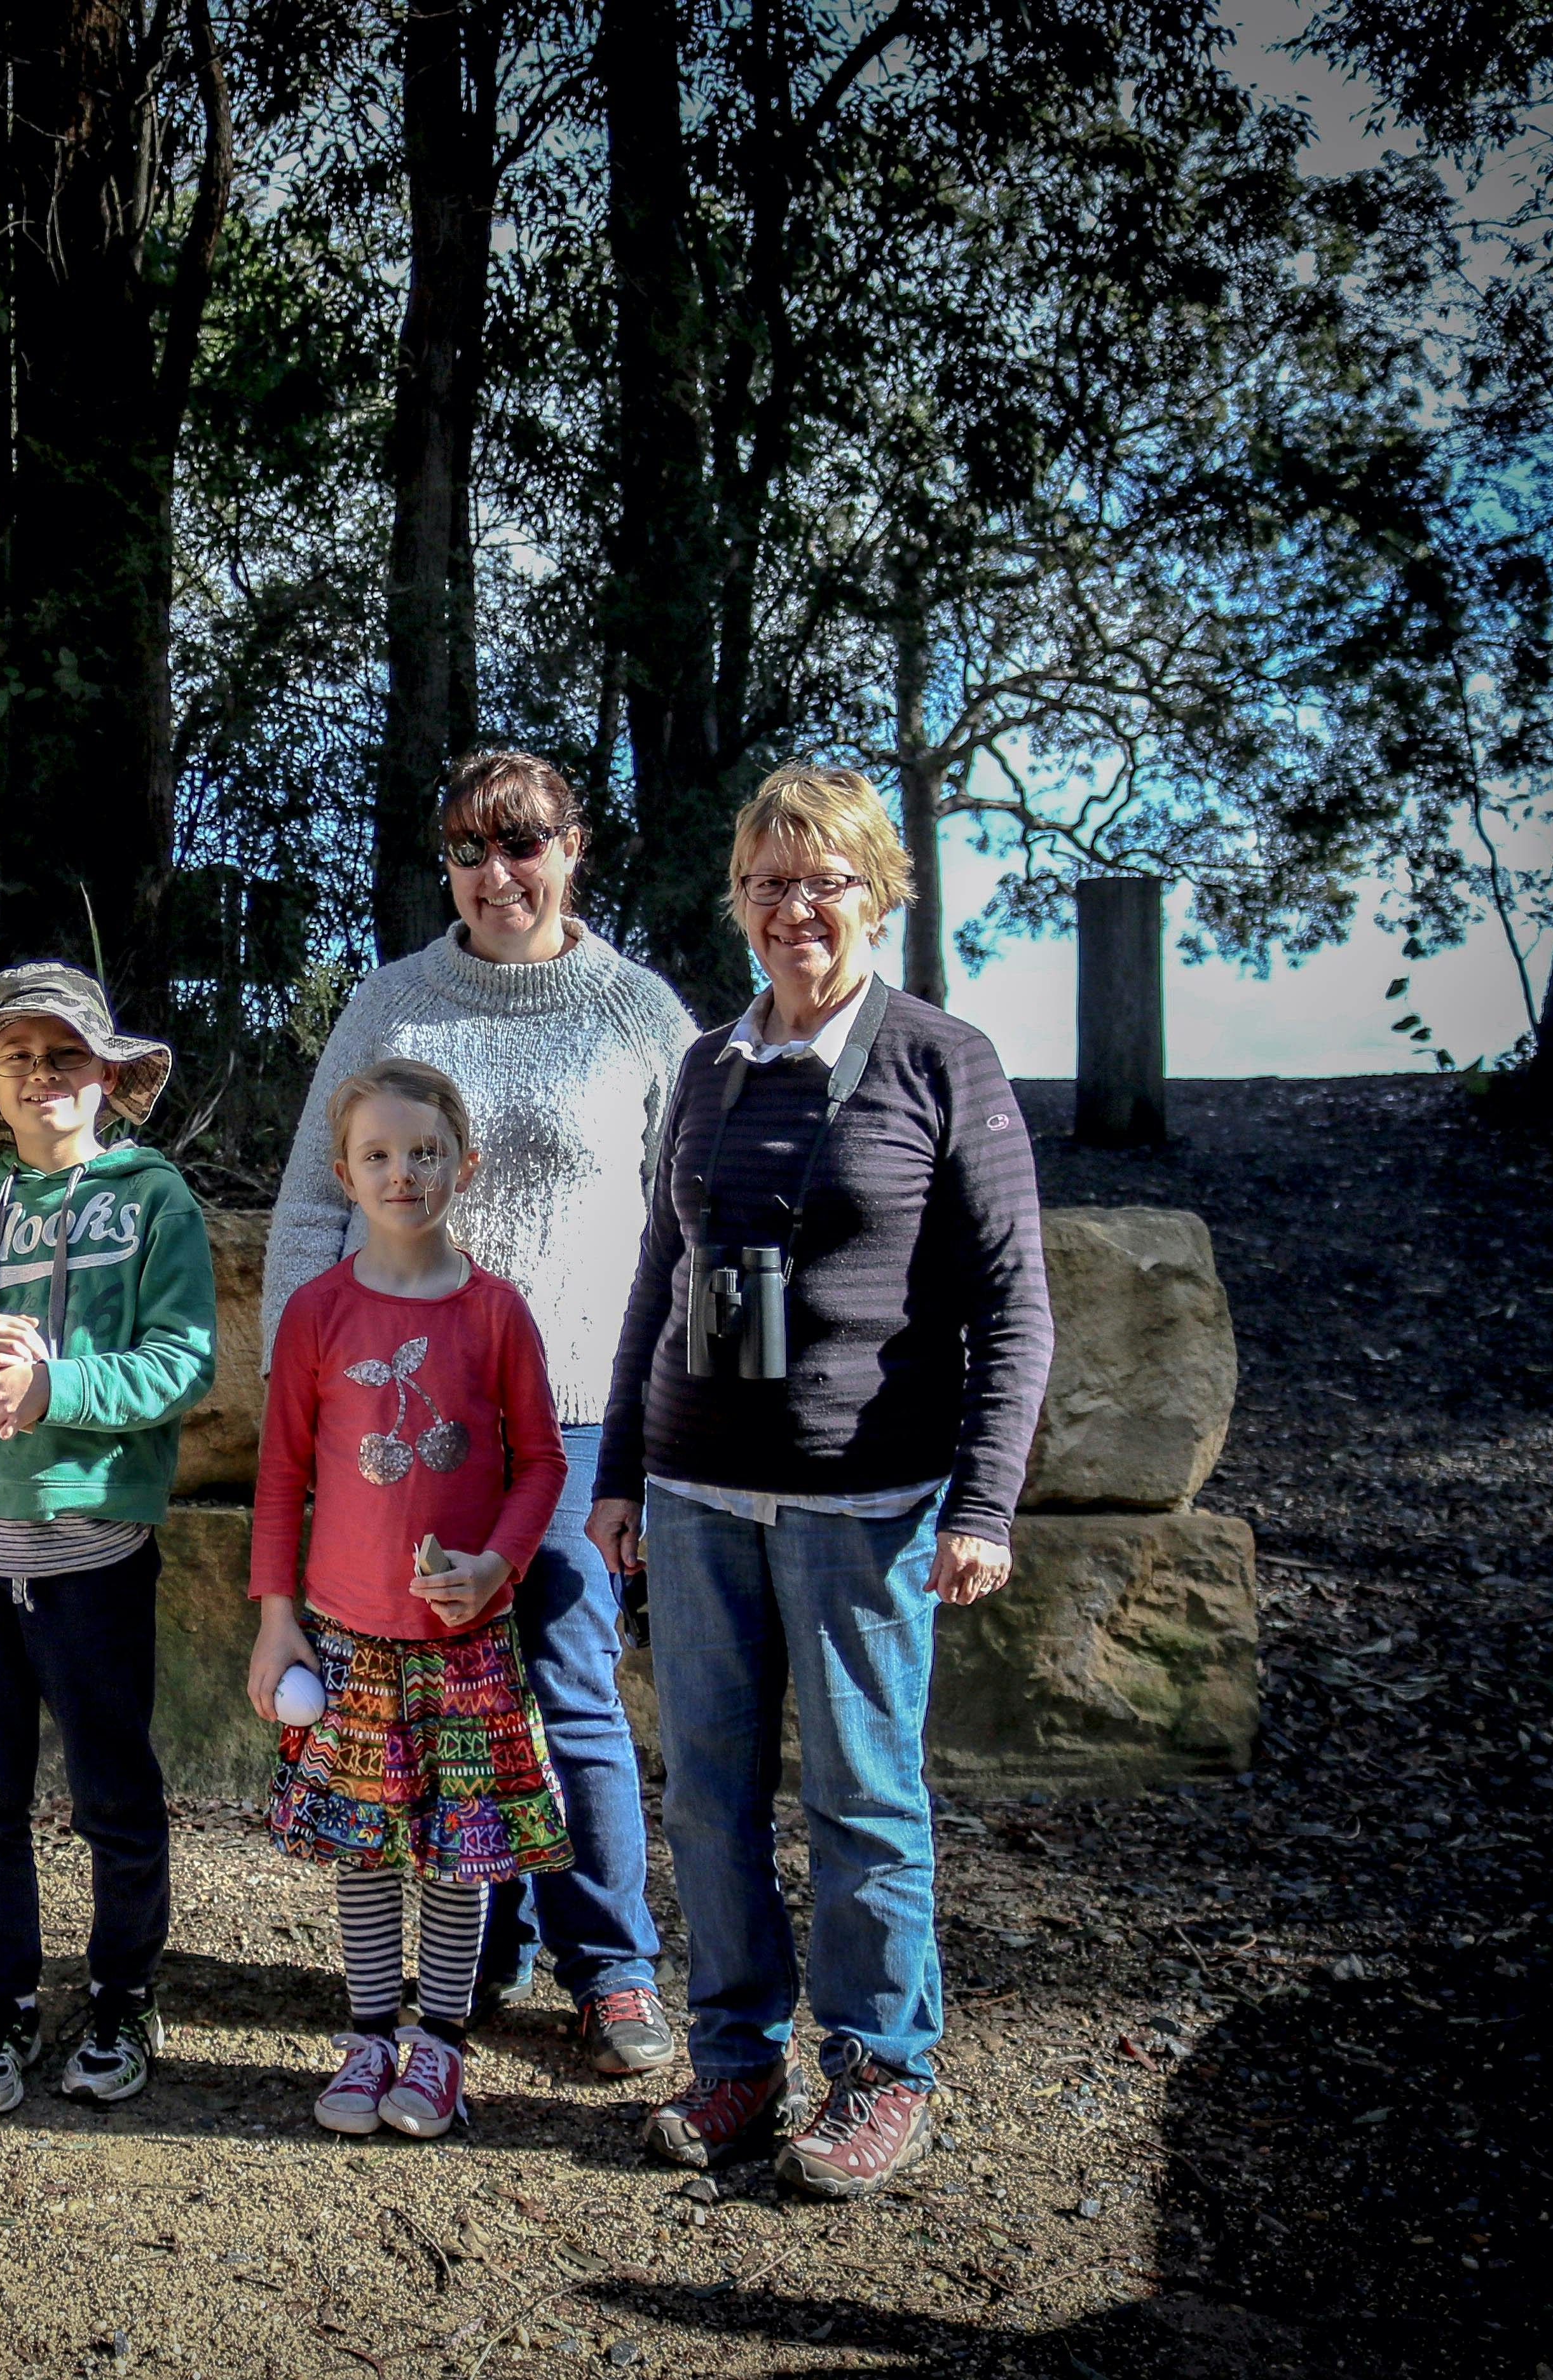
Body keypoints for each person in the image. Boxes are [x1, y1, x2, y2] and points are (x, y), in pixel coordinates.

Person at [591, 761, 1051, 2201]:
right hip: (696, 1498)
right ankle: (738, 2064)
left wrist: (982, 1502)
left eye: (823, 881)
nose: (794, 908)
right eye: (766, 883)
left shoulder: (941, 1060)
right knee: (706, 1798)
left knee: (861, 1799)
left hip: (862, 1503)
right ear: (737, 903)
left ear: (877, 895)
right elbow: (658, 1279)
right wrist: (618, 1474)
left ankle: (879, 2071)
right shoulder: (709, 1067)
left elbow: (1012, 1301)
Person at [261, 749, 693, 2077]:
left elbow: (686, 1222)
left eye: (521, 843)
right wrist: (310, 1393)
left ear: (572, 848)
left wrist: (660, 1421)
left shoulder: (637, 1013)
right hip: (402, 1420)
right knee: (436, 1693)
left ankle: (609, 1968)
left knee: (565, 1687)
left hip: (572, 1415)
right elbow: (312, 1201)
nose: (495, 873)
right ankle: (476, 1950)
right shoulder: (391, 1002)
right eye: (466, 850)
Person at [0, 964, 217, 2116]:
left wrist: (54, 1389)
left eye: (65, 1054)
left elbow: (183, 1361)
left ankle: (123, 1994)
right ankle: (5, 2000)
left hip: (91, 1549)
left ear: (108, 1074)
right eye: (17, 1057)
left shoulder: (156, 1198)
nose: (42, 1075)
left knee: (112, 1791)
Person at [246, 1059, 575, 2140]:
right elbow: (281, 1476)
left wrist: (497, 1567)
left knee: (458, 1846)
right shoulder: (317, 1313)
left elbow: (542, 1462)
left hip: (466, 1645)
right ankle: (368, 2037)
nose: (403, 1173)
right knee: (365, 1843)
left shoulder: (497, 1312)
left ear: (463, 1166)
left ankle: (439, 2046)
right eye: (378, 1155)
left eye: (424, 1152)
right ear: (344, 1175)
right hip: (347, 1641)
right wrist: (277, 1619)